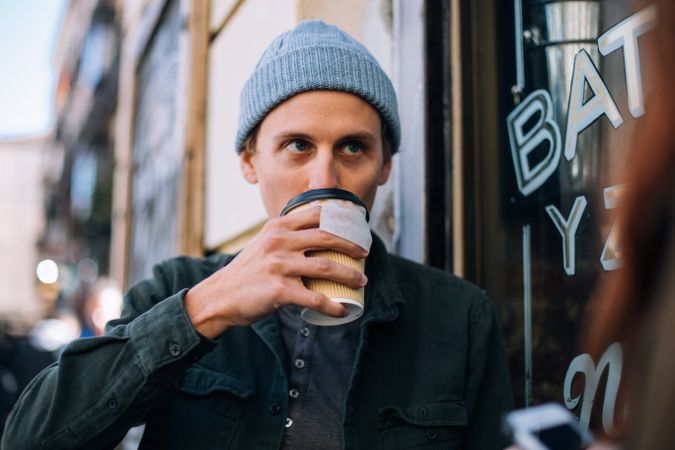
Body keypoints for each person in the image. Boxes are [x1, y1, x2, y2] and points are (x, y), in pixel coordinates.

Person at [2, 20, 513, 449]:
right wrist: (207, 308)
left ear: (383, 166)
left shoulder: (458, 317)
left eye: (353, 148)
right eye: (297, 145)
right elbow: (28, 439)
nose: (324, 180)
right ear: (250, 162)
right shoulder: (178, 287)